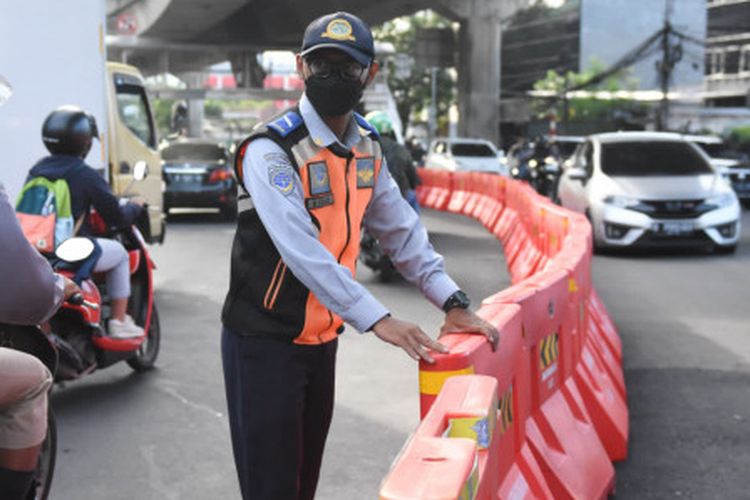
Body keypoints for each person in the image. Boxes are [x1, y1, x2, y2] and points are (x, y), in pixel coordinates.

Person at [220, 11, 500, 500]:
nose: (331, 76)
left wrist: (452, 302)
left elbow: (401, 231)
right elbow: (302, 251)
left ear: (369, 74)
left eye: (346, 68)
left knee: (302, 486)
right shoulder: (272, 150)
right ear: (300, 67)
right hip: (263, 344)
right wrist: (378, 319)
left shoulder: (367, 147)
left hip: (320, 343)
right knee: (271, 490)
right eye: (320, 64)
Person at [0, 75, 78, 500]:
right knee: (32, 379)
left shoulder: (36, 173)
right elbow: (20, 280)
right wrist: (55, 289)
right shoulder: (84, 174)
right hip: (57, 260)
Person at [26, 106, 145, 338]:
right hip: (71, 250)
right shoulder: (85, 173)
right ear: (85, 141)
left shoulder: (37, 170)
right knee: (120, 253)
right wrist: (135, 207)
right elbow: (116, 216)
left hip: (39, 249)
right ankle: (119, 321)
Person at [364, 110, 420, 212]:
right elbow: (413, 179)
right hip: (399, 198)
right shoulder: (401, 150)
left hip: (370, 202)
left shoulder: (361, 149)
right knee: (412, 196)